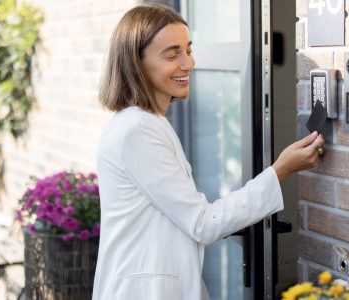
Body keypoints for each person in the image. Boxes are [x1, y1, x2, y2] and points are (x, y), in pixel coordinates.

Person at [92, 4, 325, 299]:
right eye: (172, 54)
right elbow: (203, 223)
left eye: (188, 49)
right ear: (136, 63)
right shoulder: (138, 131)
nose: (188, 63)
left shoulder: (147, 123)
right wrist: (281, 170)